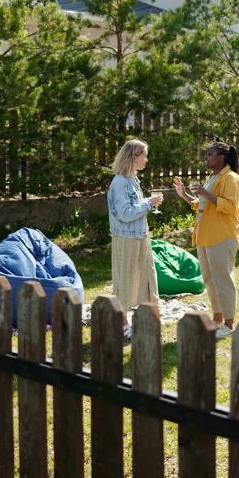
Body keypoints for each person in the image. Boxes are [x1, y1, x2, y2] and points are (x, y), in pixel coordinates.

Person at [173, 142, 239, 339]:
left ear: (221, 157)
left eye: (210, 154)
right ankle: (218, 319)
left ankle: (229, 324)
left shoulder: (232, 178)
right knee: (210, 280)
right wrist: (185, 195)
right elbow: (202, 205)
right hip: (205, 236)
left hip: (222, 236)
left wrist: (205, 193)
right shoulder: (213, 177)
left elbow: (231, 207)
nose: (206, 158)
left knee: (223, 279)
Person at [107, 139, 164, 339]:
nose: (147, 160)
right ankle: (122, 324)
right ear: (133, 157)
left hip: (141, 235)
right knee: (126, 279)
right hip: (126, 239)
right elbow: (125, 214)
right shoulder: (120, 182)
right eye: (144, 155)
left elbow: (134, 208)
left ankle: (147, 318)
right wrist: (149, 204)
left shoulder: (133, 179)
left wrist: (149, 202)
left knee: (147, 277)